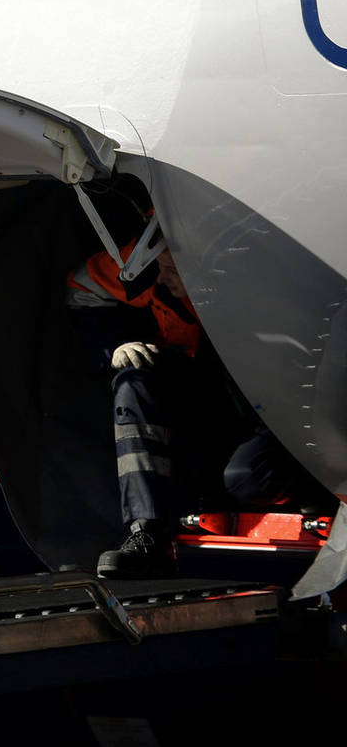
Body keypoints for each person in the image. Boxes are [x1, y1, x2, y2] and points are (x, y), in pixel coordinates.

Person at [68, 234, 310, 578]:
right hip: (205, 391)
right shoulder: (156, 246)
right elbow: (82, 285)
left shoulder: (268, 276)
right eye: (160, 266)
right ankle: (147, 534)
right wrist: (115, 345)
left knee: (251, 480)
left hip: (273, 398)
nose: (161, 276)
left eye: (172, 269)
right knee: (133, 379)